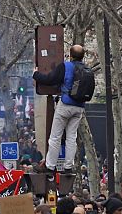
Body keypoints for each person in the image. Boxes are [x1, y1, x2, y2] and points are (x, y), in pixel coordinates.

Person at [33, 45, 94, 173]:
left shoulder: (66, 66)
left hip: (65, 105)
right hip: (79, 107)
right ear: (83, 56)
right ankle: (68, 166)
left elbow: (49, 79)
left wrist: (36, 74)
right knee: (71, 137)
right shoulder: (87, 69)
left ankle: (50, 166)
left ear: (70, 56)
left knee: (55, 137)